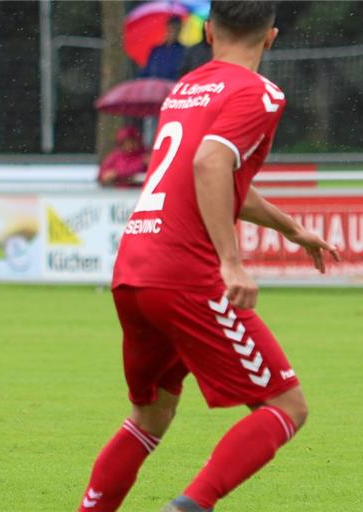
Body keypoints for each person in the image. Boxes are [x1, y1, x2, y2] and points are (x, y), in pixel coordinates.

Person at [78, 3, 341, 511]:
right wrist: (231, 262)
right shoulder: (260, 92)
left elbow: (220, 180)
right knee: (286, 406)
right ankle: (190, 506)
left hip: (135, 268)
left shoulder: (189, 86)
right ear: (271, 38)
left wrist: (292, 229)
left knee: (149, 417)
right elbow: (210, 163)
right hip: (184, 274)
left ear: (212, 31)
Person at [139, 16, 185, 80]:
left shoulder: (184, 51)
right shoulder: (156, 50)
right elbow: (146, 71)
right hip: (155, 86)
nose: (173, 32)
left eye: (177, 29)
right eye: (171, 28)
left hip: (173, 86)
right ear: (167, 29)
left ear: (180, 30)